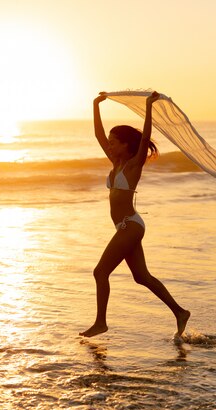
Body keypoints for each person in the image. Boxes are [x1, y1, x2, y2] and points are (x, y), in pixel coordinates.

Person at [79, 91, 191, 339]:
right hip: (125, 226)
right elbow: (98, 134)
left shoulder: (133, 165)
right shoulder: (115, 163)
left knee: (100, 272)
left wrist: (149, 107)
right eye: (109, 142)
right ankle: (180, 312)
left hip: (130, 225)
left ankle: (100, 323)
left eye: (113, 141)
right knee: (141, 277)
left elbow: (145, 138)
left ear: (126, 145)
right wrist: (95, 105)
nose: (108, 144)